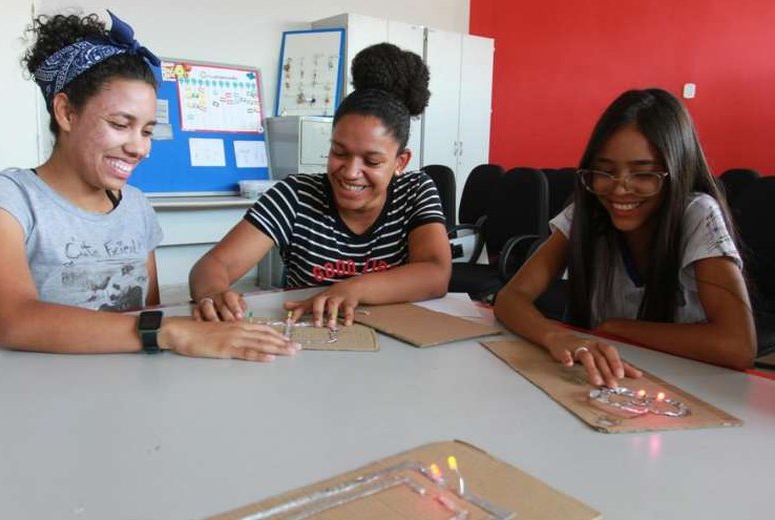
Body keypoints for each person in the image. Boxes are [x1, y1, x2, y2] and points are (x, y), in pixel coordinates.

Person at [0, 10, 297, 361]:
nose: (140, 147)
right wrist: (171, 331)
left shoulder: (135, 205)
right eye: (121, 124)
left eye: (148, 131)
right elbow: (14, 323)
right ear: (66, 113)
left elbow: (146, 311)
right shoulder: (4, 199)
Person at [493, 88, 756, 387]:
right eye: (604, 172)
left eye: (644, 175)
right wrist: (556, 336)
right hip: (610, 381)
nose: (619, 189)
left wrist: (616, 328)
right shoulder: (588, 212)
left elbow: (737, 345)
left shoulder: (696, 214)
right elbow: (510, 298)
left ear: (677, 172)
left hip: (689, 384)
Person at [190, 43, 452, 327]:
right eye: (339, 152)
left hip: (395, 342)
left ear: (400, 162)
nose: (351, 173)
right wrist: (214, 292)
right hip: (309, 343)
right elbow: (212, 266)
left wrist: (352, 288)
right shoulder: (295, 196)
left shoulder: (415, 190)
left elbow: (436, 274)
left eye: (372, 161)